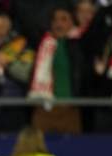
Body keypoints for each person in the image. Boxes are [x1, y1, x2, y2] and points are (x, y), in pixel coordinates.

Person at [29, 7, 84, 135]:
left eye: (64, 19)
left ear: (72, 22)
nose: (58, 24)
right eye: (54, 20)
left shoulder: (80, 46)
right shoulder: (42, 44)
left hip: (69, 110)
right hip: (43, 109)